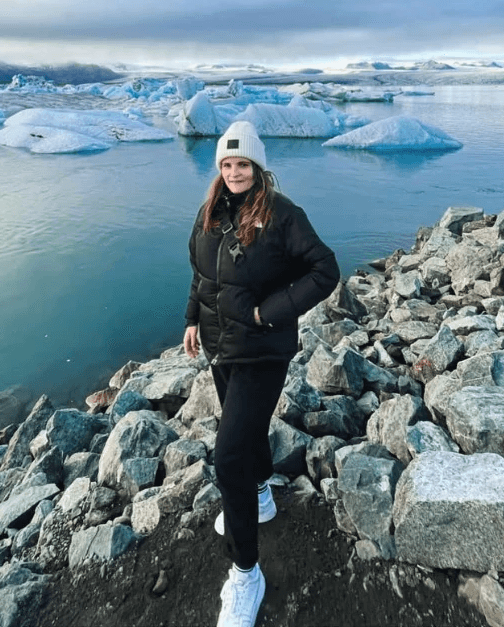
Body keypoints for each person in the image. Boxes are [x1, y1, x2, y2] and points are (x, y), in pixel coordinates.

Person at [183, 120, 340, 627]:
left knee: (227, 456)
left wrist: (267, 312)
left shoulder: (282, 214)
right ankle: (260, 496)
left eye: (242, 164)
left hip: (262, 351)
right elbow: (202, 273)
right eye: (227, 164)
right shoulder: (210, 211)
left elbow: (325, 270)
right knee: (243, 432)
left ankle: (246, 574)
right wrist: (190, 319)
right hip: (220, 347)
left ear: (258, 166)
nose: (234, 173)